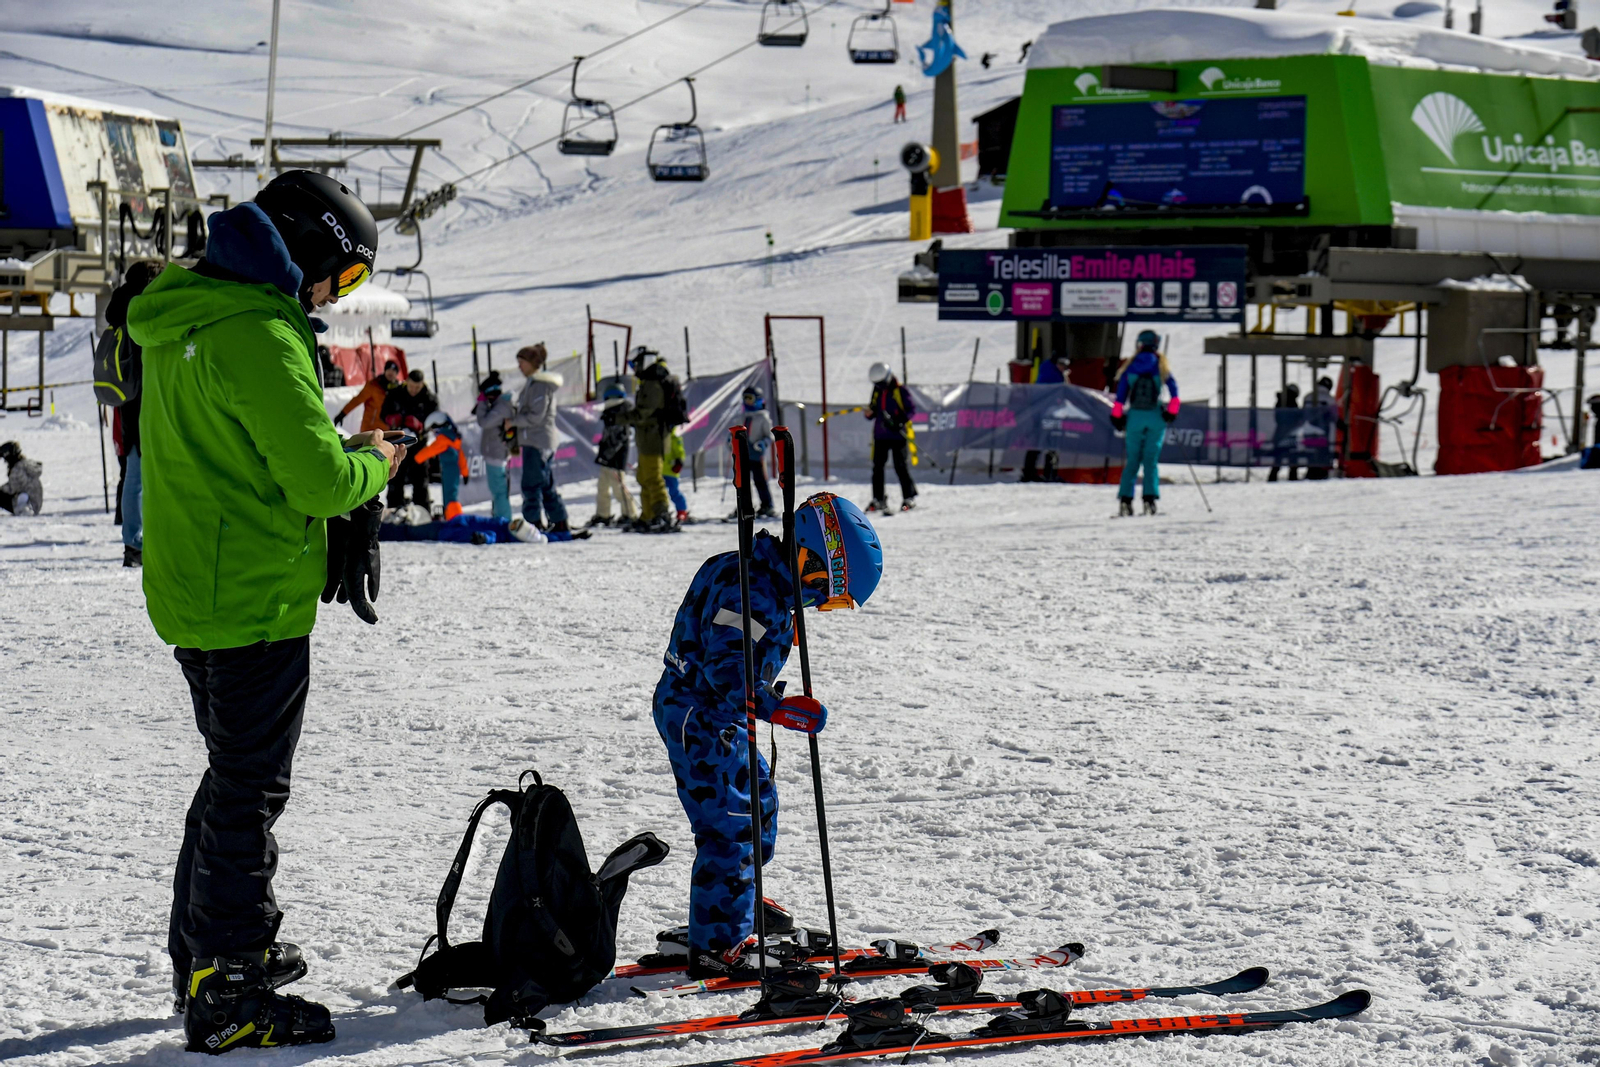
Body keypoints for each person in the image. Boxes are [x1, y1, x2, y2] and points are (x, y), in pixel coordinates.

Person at [125, 170, 401, 1053]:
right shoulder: (259, 329)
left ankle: (206, 953)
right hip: (252, 597)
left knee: (230, 776)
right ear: (309, 245)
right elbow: (317, 478)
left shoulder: (185, 313)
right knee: (248, 789)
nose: (335, 295)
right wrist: (375, 463)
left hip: (197, 589)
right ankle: (228, 982)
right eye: (345, 275)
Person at [653, 492, 882, 978]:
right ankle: (720, 941)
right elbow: (727, 671)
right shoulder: (752, 592)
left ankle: (738, 900)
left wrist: (777, 627)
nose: (821, 604)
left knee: (759, 804)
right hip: (701, 715)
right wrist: (780, 709)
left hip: (717, 713)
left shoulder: (762, 583)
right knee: (733, 825)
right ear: (810, 560)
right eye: (826, 592)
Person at [105, 260, 162, 565]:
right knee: (154, 475)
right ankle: (148, 540)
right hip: (153, 399)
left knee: (133, 475)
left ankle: (132, 543)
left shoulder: (120, 308)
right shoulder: (150, 307)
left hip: (127, 401)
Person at [1111, 330, 1180, 516]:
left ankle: (1126, 500)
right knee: (1150, 460)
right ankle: (1150, 500)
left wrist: (1117, 417)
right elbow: (1175, 393)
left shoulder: (1130, 366)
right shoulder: (1161, 366)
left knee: (1133, 460)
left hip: (1134, 417)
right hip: (1156, 416)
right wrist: (1171, 413)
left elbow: (1120, 398)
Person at [510, 343, 570, 533]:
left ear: (532, 363)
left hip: (538, 441)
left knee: (532, 485)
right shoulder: (534, 384)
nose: (519, 366)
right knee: (544, 484)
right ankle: (559, 521)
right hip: (536, 440)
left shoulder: (539, 385)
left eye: (522, 362)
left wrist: (513, 422)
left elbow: (536, 415)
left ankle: (532, 525)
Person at [628, 346, 679, 531]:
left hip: (653, 439)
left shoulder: (652, 383)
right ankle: (648, 515)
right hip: (647, 439)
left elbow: (644, 413)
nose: (632, 368)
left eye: (633, 364)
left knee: (653, 478)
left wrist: (620, 417)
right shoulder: (649, 381)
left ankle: (661, 515)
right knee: (644, 477)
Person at [381, 369, 438, 511]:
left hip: (420, 447)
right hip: (399, 446)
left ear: (422, 385)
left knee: (421, 483)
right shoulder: (395, 394)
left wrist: (421, 425)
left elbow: (436, 422)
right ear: (406, 382)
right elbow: (383, 413)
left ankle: (423, 514)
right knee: (395, 481)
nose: (414, 390)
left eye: (417, 387)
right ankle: (393, 513)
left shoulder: (429, 398)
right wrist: (391, 419)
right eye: (411, 386)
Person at [865, 362, 917, 513]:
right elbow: (875, 408)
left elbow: (911, 410)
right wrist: (870, 413)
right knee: (878, 467)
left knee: (900, 466)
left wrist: (899, 421)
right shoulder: (877, 391)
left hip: (897, 435)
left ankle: (909, 497)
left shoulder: (900, 390)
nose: (879, 385)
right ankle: (878, 498)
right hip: (881, 435)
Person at [589, 383, 637, 527]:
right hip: (607, 457)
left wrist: (607, 454)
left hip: (615, 458)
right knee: (602, 487)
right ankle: (603, 514)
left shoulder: (620, 413)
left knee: (618, 488)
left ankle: (630, 514)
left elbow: (619, 438)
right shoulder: (611, 412)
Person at [472, 370, 515, 521]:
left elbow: (484, 422)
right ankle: (499, 516)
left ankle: (504, 519)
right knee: (497, 489)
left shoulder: (501, 407)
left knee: (499, 490)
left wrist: (482, 403)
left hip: (497, 453)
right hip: (495, 452)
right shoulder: (499, 404)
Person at [415, 411, 469, 520]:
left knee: (450, 497)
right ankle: (450, 517)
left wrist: (416, 459)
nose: (433, 433)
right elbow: (461, 457)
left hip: (449, 471)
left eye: (433, 430)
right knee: (449, 495)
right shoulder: (452, 437)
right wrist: (465, 472)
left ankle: (456, 519)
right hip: (452, 470)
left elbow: (430, 450)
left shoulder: (443, 439)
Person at [336, 358, 400, 432]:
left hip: (386, 431)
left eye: (394, 371)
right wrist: (343, 413)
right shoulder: (374, 385)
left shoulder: (398, 390)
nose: (391, 373)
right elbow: (357, 400)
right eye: (389, 370)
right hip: (369, 430)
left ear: (397, 373)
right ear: (385, 370)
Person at [742, 387, 776, 520]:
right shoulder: (742, 416)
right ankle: (745, 505)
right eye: (745, 398)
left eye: (750, 398)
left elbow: (770, 436)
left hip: (756, 454)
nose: (748, 402)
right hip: (743, 454)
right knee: (743, 482)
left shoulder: (763, 417)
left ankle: (767, 504)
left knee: (760, 480)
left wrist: (763, 443)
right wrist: (731, 441)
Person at [1267, 382, 1302, 483]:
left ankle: (1274, 476)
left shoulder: (1280, 401)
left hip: (1280, 433)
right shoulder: (1290, 402)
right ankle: (1292, 476)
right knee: (1291, 456)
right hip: (1288, 433)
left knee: (1279, 457)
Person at [1305, 376, 1336, 481]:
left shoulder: (1308, 397)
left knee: (1311, 452)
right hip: (1324, 433)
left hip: (1308, 431)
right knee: (1322, 453)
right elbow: (1334, 417)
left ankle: (1311, 471)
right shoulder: (1329, 399)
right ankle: (1321, 472)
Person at [0, 440, 43, 516]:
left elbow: (13, 488)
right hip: (35, 503)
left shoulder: (17, 468)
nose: (5, 461)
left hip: (30, 504)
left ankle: (23, 508)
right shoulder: (25, 463)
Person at [665, 428, 691, 524]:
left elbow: (679, 450)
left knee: (674, 491)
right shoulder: (658, 436)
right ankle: (659, 511)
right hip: (658, 469)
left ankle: (682, 511)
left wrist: (679, 461)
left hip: (670, 470)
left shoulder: (674, 436)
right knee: (657, 492)